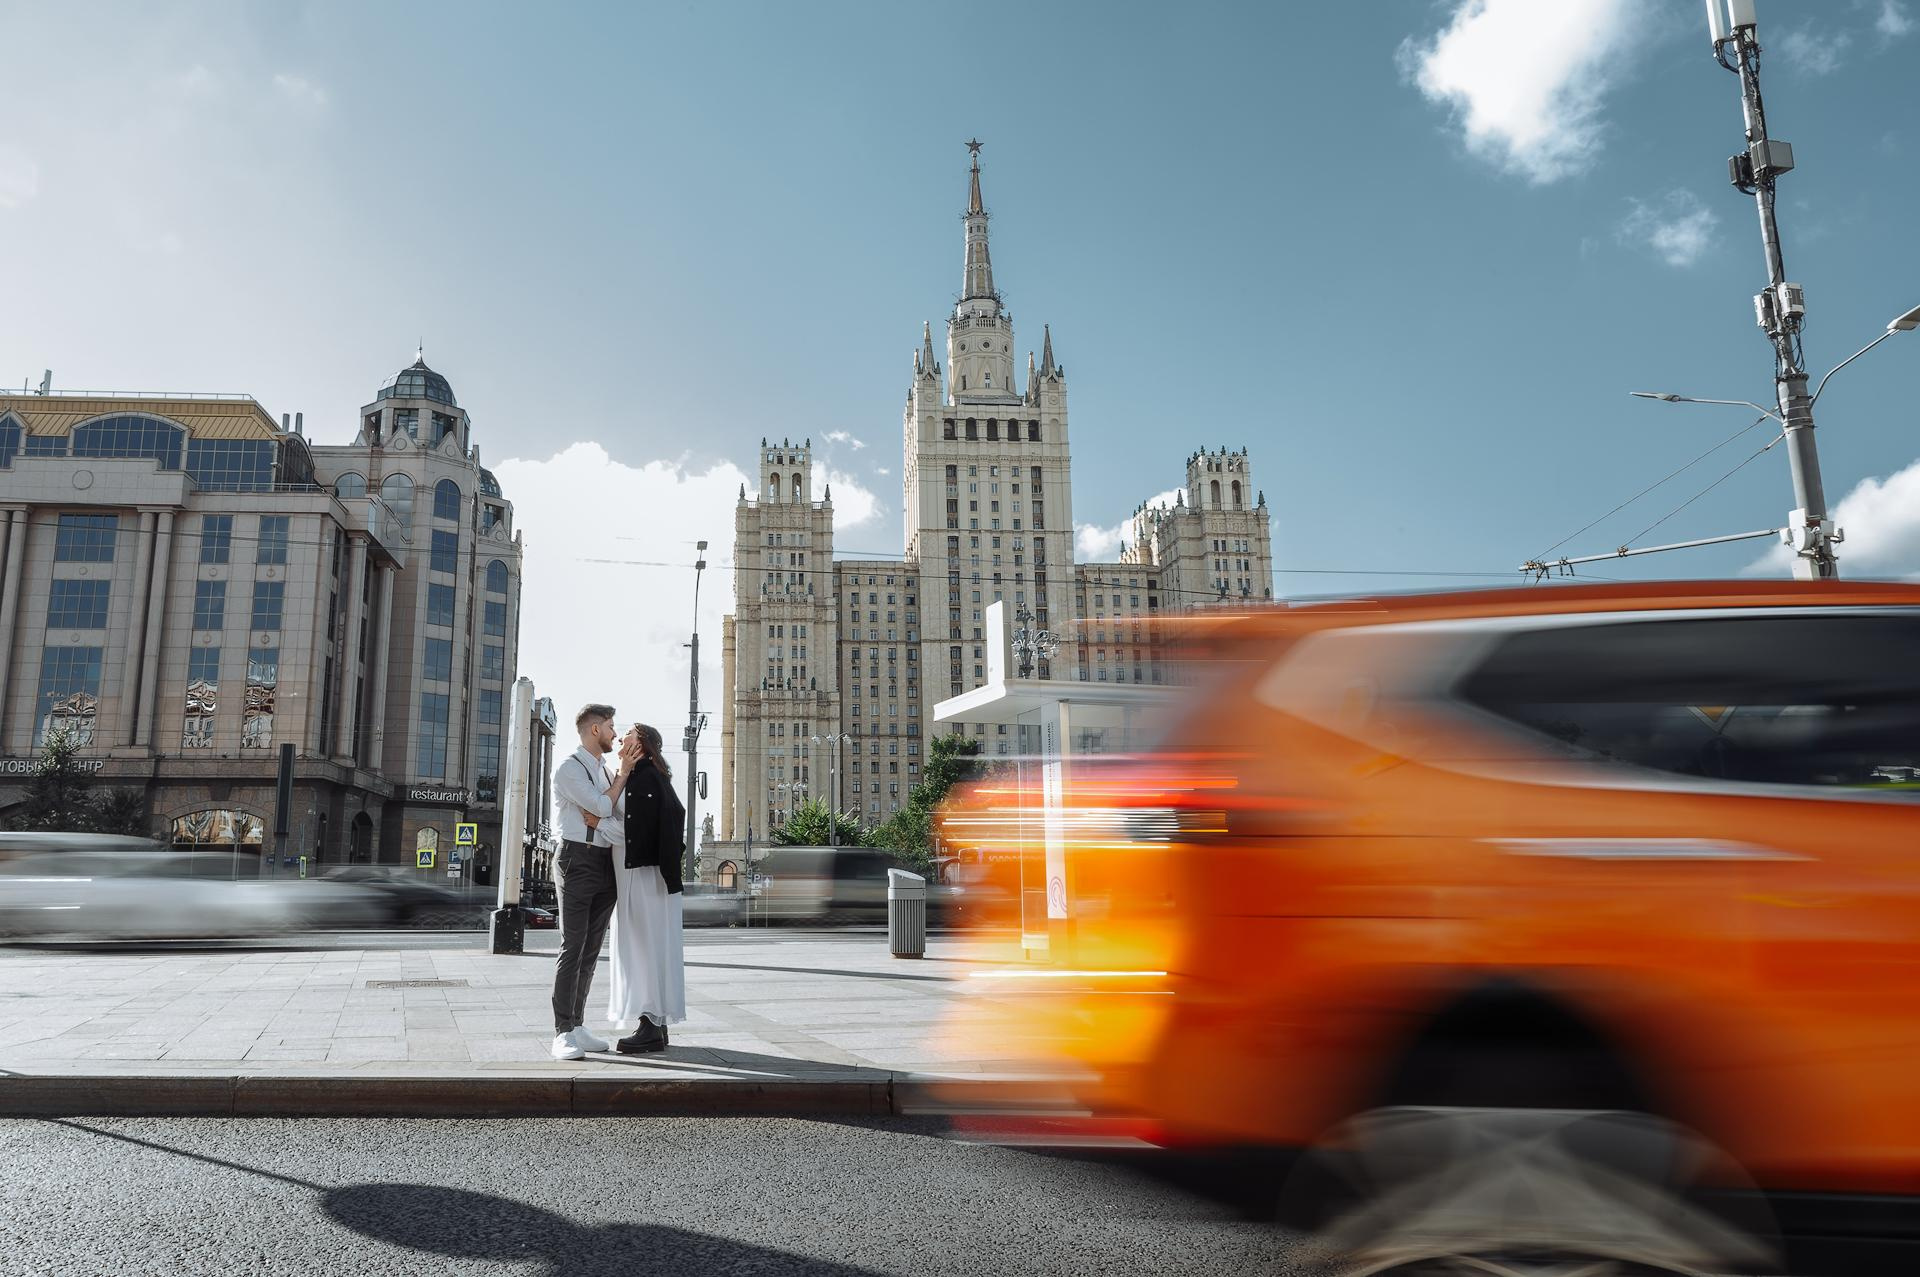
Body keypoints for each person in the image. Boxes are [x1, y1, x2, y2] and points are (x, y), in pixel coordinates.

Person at [548, 703, 640, 1061]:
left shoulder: (601, 770)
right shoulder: (569, 768)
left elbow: (610, 810)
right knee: (572, 947)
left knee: (590, 949)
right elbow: (602, 808)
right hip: (576, 859)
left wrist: (615, 784)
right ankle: (561, 1033)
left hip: (603, 861)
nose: (616, 735)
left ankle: (577, 1024)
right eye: (612, 728)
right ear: (595, 729)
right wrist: (622, 776)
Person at [596, 722, 686, 1054]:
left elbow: (641, 834)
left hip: (644, 878)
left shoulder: (645, 778)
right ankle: (656, 1024)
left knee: (643, 949)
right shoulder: (643, 776)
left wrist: (600, 824)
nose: (621, 737)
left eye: (629, 734)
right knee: (648, 947)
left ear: (643, 745)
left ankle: (649, 1025)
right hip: (641, 877)